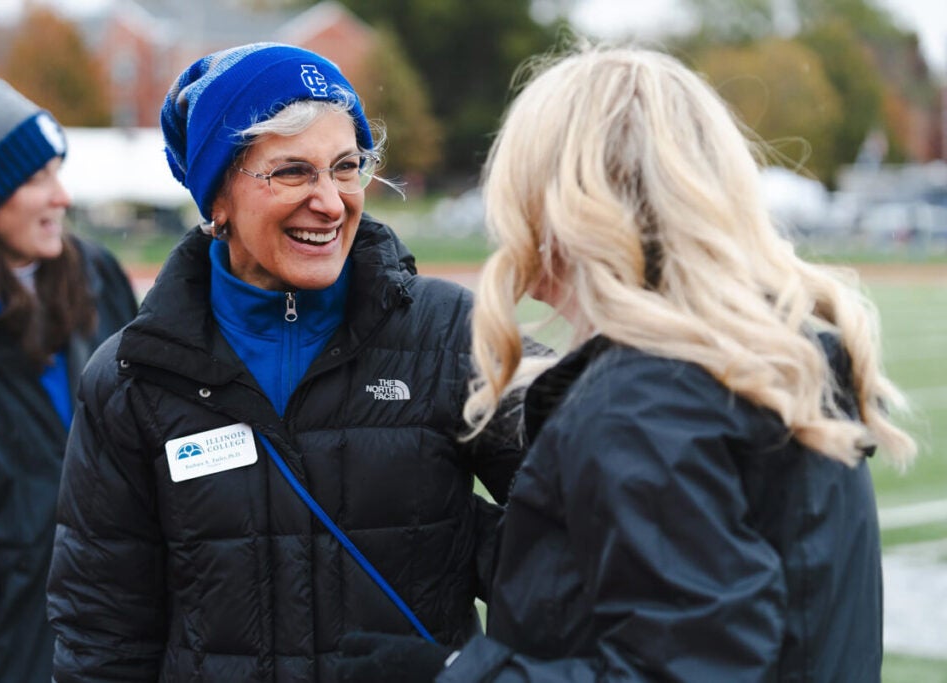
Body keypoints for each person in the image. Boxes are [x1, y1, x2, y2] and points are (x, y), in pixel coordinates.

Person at [334, 44, 917, 682]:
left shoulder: (647, 403)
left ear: (565, 208)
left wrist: (449, 675)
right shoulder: (768, 370)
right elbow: (665, 596)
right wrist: (455, 529)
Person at [46, 42, 540, 682]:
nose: (332, 203)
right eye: (292, 172)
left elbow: (591, 510)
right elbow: (101, 633)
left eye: (345, 167)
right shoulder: (133, 377)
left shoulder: (449, 333)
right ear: (217, 197)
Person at [0, 54, 138, 682]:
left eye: (59, 170)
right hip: (2, 662)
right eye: (37, 177)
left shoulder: (95, 273)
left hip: (121, 647)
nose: (62, 196)